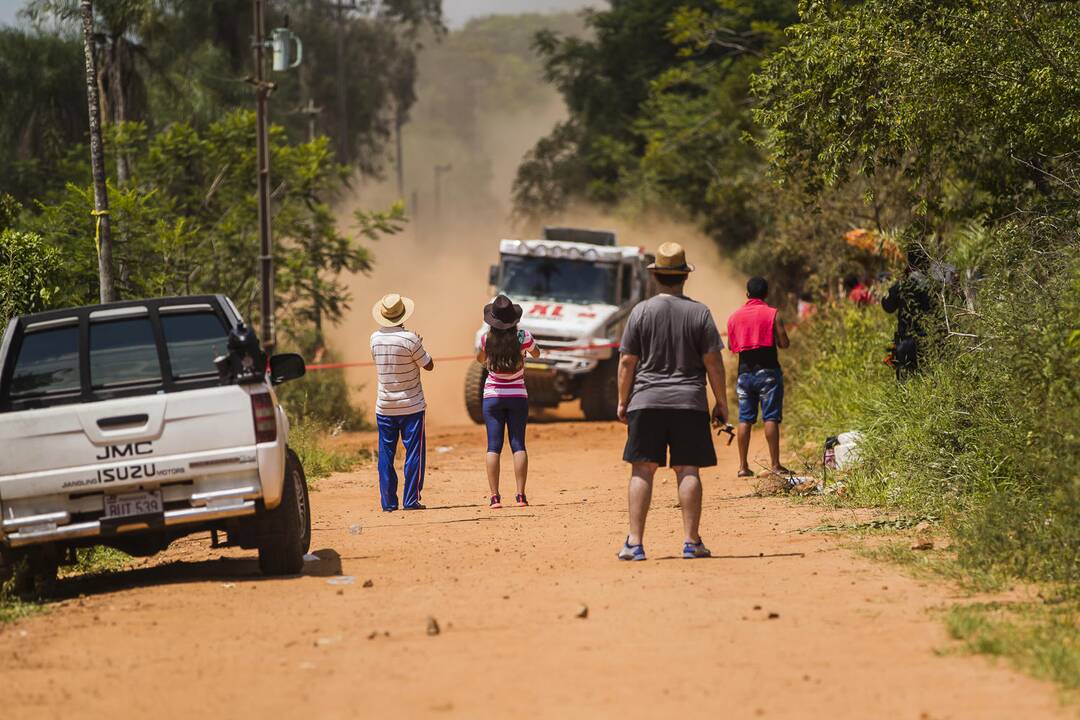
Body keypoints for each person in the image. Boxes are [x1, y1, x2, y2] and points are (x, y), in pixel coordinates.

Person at [616, 242, 728, 561]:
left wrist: (623, 401)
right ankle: (692, 542)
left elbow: (626, 363)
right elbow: (714, 363)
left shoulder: (641, 312)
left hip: (645, 401)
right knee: (688, 469)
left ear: (655, 277)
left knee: (642, 469)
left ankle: (635, 543)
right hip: (689, 402)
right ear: (684, 277)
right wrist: (721, 402)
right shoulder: (700, 313)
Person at [370, 293, 435, 512]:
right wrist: (418, 345)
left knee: (386, 454)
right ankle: (410, 500)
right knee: (414, 452)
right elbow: (428, 365)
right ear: (402, 315)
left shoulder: (374, 339)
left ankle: (388, 503)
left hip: (385, 406)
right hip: (412, 406)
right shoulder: (410, 339)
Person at [475, 294, 541, 508]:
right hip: (517, 396)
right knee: (518, 445)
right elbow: (537, 354)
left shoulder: (486, 339)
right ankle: (521, 496)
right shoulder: (523, 336)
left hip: (492, 396)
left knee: (493, 447)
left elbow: (480, 359)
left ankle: (495, 497)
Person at [726, 277, 790, 479]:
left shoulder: (734, 317)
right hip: (769, 372)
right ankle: (775, 464)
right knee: (770, 417)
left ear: (747, 294)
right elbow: (784, 343)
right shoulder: (772, 314)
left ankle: (743, 467)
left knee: (745, 419)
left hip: (744, 375)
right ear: (766, 294)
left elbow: (731, 347)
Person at [881, 248, 935, 377]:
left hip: (907, 342)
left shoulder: (903, 284)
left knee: (907, 381)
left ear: (910, 263)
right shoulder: (935, 284)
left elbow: (887, 306)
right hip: (932, 342)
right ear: (927, 262)